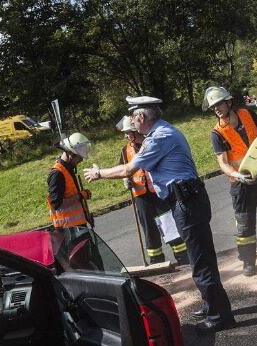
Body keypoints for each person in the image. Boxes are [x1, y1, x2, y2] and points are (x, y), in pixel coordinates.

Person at [84, 96, 235, 332]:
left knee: (201, 260)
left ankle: (219, 316)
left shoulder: (160, 137)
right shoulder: (159, 133)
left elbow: (128, 169)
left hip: (187, 201)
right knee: (200, 257)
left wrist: (99, 173)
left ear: (142, 117)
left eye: (134, 117)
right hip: (185, 199)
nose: (132, 122)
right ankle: (212, 304)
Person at [202, 86, 257, 276]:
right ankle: (248, 262)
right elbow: (223, 163)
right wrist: (237, 175)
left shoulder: (247, 114)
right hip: (240, 183)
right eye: (213, 107)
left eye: (219, 104)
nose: (216, 109)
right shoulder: (217, 133)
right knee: (245, 223)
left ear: (228, 102)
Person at [117, 115, 189, 266]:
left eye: (128, 132)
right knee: (149, 229)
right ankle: (156, 260)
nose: (126, 135)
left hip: (158, 191)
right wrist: (126, 181)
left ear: (135, 131)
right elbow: (123, 169)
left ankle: (182, 255)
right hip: (141, 196)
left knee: (168, 224)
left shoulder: (151, 143)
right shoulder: (125, 151)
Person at [47, 132, 92, 228]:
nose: (81, 160)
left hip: (78, 227)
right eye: (79, 157)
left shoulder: (68, 169)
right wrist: (80, 196)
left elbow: (72, 199)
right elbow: (56, 205)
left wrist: (85, 215)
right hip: (67, 231)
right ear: (70, 154)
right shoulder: (57, 174)